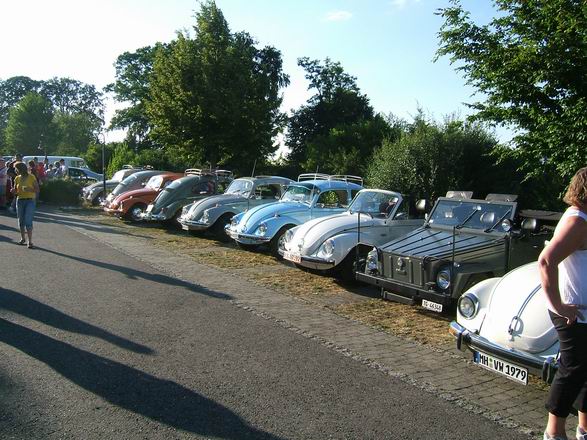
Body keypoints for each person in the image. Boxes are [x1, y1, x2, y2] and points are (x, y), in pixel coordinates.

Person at [539, 167, 587, 440]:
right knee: (572, 370)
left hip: (581, 312)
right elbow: (546, 261)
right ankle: (554, 433)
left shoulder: (582, 217)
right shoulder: (577, 220)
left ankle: (584, 428)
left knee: (584, 370)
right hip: (573, 313)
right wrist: (558, 306)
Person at [11, 161, 39, 248]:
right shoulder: (17, 178)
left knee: (28, 221)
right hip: (20, 200)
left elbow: (37, 189)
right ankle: (22, 238)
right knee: (21, 221)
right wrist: (13, 191)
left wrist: (30, 189)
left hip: (30, 200)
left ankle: (30, 241)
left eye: (16, 169)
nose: (15, 170)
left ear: (20, 169)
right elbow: (16, 191)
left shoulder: (31, 177)